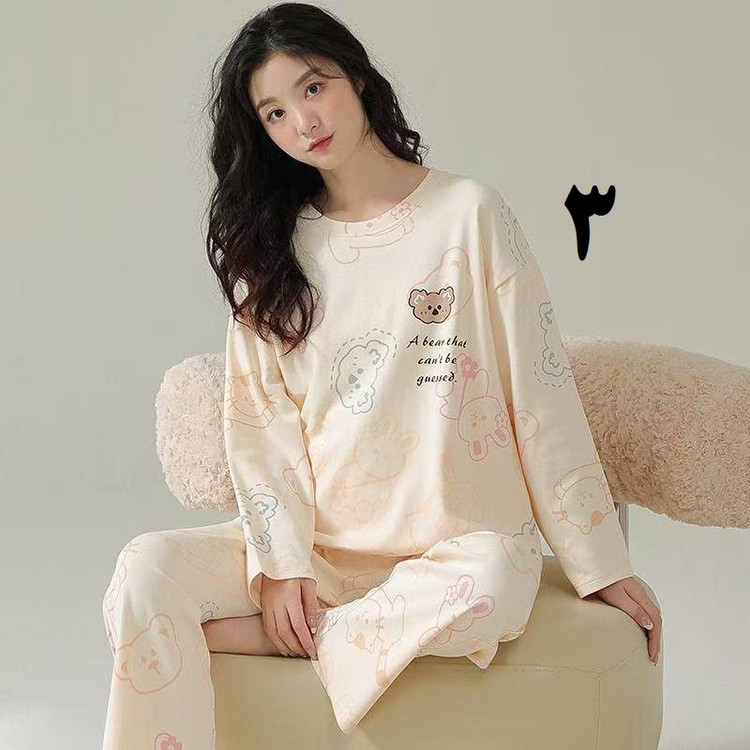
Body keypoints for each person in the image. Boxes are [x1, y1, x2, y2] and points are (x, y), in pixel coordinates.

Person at [101, 2, 662, 744]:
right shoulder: (271, 252)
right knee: (145, 568)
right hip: (321, 547)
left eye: (313, 87)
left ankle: (291, 639)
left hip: (452, 551)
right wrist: (284, 566)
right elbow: (261, 424)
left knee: (498, 578)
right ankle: (323, 628)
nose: (303, 122)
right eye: (274, 113)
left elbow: (540, 390)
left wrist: (600, 564)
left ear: (356, 77)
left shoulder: (468, 214)